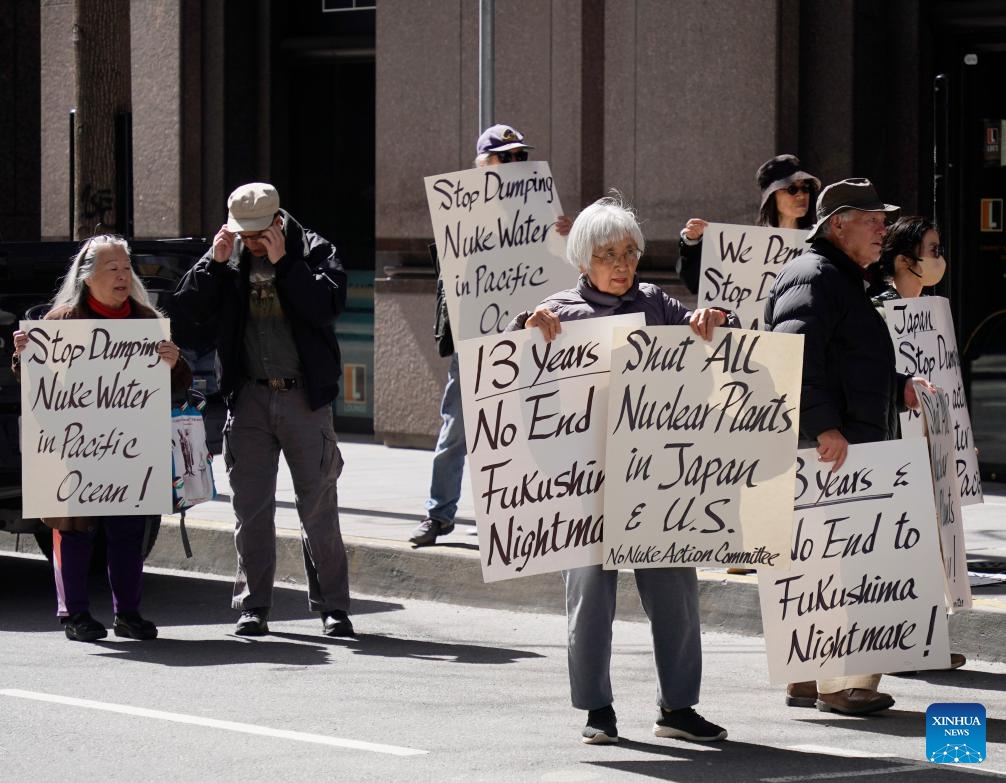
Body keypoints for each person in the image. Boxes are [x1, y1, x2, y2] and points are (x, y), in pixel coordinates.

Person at [514, 195, 733, 745]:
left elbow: (708, 339)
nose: (622, 264)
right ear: (583, 258)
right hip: (586, 483)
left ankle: (677, 708)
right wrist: (525, 332)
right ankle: (597, 710)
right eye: (609, 253)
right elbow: (516, 384)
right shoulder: (556, 313)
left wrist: (711, 319)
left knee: (676, 596)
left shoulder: (657, 303)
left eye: (630, 252)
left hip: (655, 477)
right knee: (590, 600)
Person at [764, 178, 934, 715]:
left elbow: (845, 359)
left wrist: (899, 384)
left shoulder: (836, 276)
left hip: (841, 440)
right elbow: (795, 354)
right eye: (872, 219)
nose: (883, 229)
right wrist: (823, 426)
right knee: (850, 567)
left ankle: (809, 677)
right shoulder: (818, 275)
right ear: (838, 224)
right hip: (836, 444)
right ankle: (846, 685)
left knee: (827, 563)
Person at [173, 183, 354, 638]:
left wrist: (285, 263)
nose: (251, 243)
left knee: (317, 507)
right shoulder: (226, 256)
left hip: (303, 398)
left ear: (278, 222)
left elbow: (326, 307)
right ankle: (253, 605)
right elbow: (186, 314)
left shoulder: (313, 249)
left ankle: (333, 608)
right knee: (250, 509)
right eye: (244, 235)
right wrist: (212, 265)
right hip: (248, 396)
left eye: (258, 235)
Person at [11, 235, 191, 642]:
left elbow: (178, 384)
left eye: (127, 269)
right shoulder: (59, 325)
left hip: (128, 449)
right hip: (75, 452)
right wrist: (23, 354)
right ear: (87, 277)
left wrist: (174, 362)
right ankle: (74, 614)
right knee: (74, 530)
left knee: (128, 532)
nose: (122, 277)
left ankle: (127, 613)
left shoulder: (147, 324)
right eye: (113, 269)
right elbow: (32, 382)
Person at [410, 123, 571, 546]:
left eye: (521, 156)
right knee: (457, 429)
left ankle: (531, 513)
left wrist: (570, 239)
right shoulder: (462, 212)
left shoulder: (540, 211)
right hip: (477, 340)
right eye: (507, 156)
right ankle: (438, 514)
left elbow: (563, 271)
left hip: (531, 336)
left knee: (532, 423)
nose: (517, 163)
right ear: (484, 164)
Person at [871, 216, 965, 673]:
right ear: (905, 260)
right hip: (895, 442)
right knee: (905, 541)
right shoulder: (879, 311)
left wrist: (960, 439)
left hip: (930, 444)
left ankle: (925, 641)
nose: (939, 257)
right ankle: (909, 643)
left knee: (928, 540)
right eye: (932, 248)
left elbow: (946, 384)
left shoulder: (931, 313)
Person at [677, 154, 820, 295]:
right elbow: (697, 284)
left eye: (805, 188)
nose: (801, 195)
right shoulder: (743, 248)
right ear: (772, 196)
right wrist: (692, 243)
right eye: (792, 189)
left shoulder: (822, 240)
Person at [870, 216, 947, 304]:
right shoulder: (878, 311)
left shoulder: (933, 307)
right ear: (903, 260)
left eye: (939, 250)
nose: (939, 257)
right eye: (934, 250)